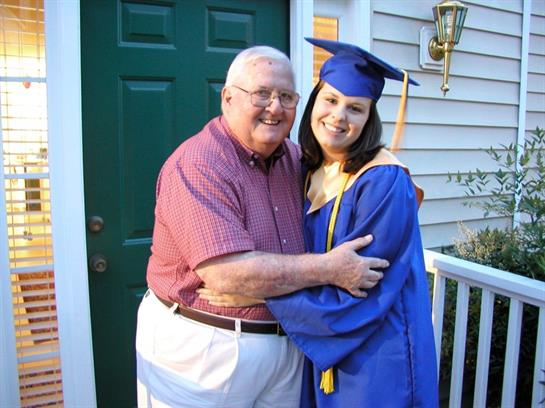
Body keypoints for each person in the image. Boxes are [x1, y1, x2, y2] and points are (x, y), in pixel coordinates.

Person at [135, 44, 389, 408]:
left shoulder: (297, 160)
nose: (275, 107)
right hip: (206, 348)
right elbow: (227, 274)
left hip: (288, 344)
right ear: (228, 98)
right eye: (262, 94)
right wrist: (330, 269)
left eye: (286, 97)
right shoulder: (198, 165)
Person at [201, 38, 438, 407]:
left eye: (355, 108)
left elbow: (363, 287)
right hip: (322, 348)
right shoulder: (308, 169)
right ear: (312, 103)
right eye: (330, 100)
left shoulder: (383, 181)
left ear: (368, 119)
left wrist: (258, 293)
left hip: (375, 354)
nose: (339, 116)